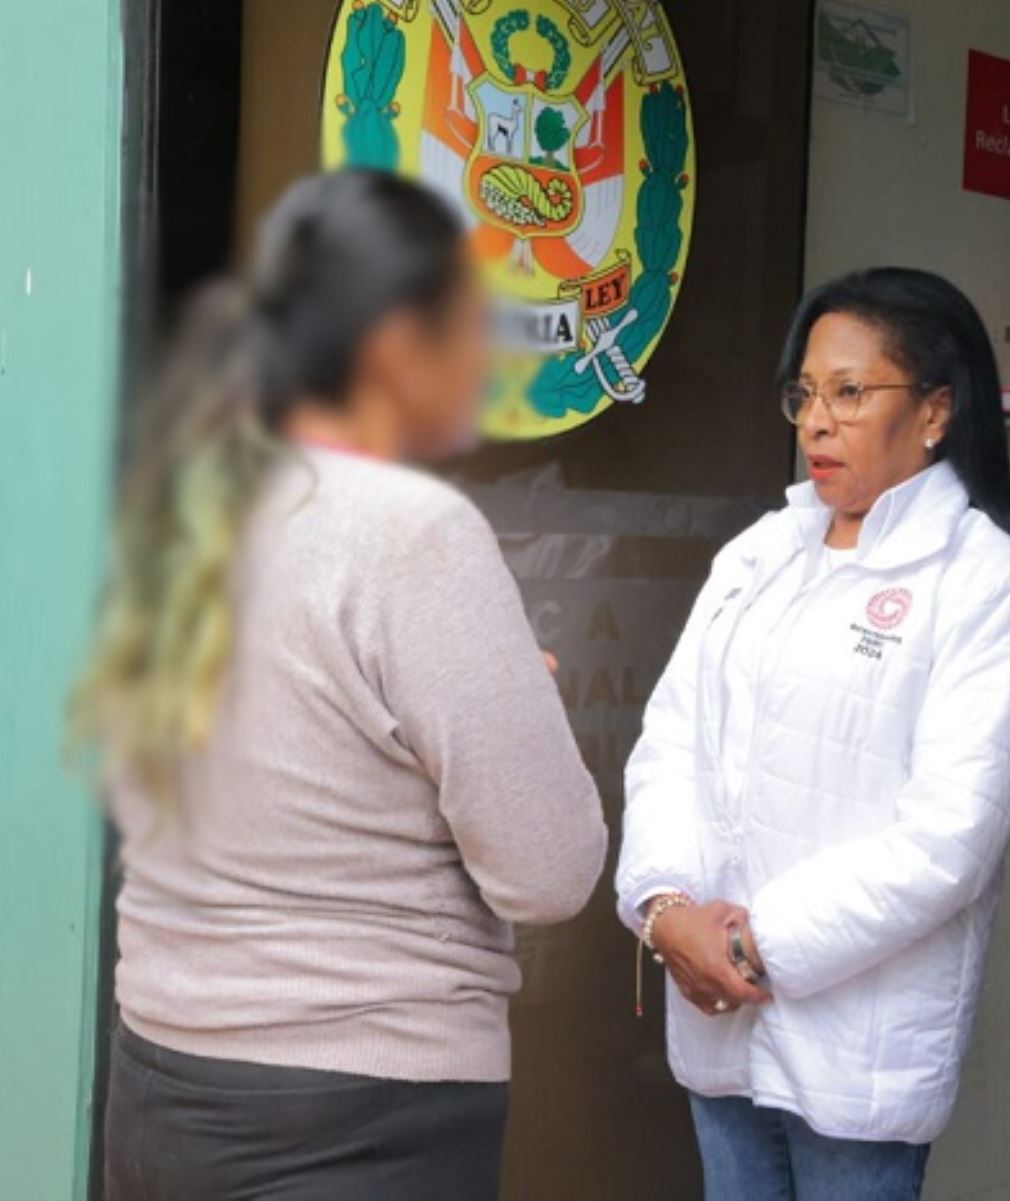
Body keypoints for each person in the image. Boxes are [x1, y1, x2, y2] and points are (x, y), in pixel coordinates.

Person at [73, 171, 608, 1201]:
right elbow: (549, 869)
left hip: (161, 1085)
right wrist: (512, 713)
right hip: (361, 1115)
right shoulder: (415, 532)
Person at [615, 267, 1010, 1200]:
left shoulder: (986, 587)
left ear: (937, 409)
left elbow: (949, 840)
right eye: (805, 392)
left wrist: (752, 948)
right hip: (715, 1015)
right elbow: (670, 741)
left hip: (856, 1046)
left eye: (851, 392)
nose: (815, 421)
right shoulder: (758, 554)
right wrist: (665, 910)